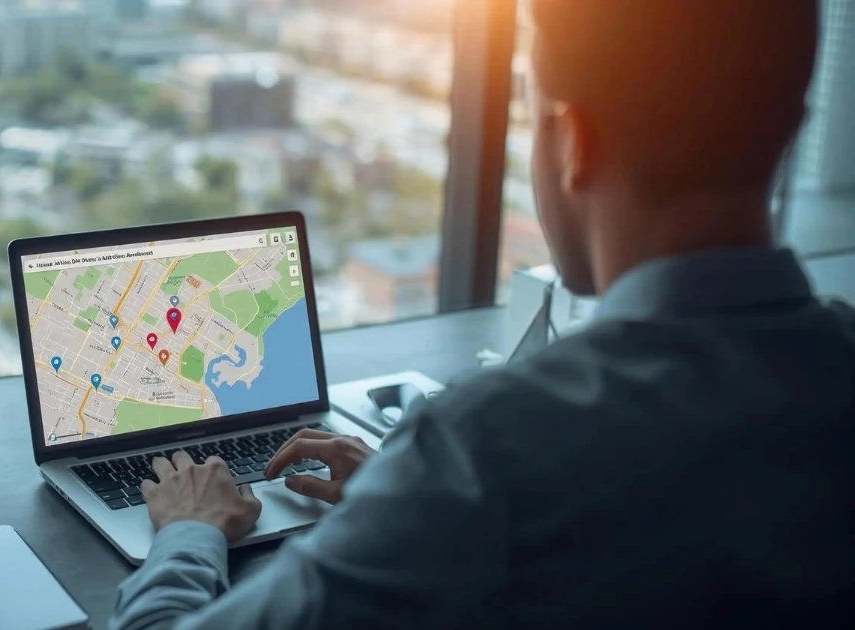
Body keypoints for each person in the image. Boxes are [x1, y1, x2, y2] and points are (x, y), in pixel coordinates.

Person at [110, 1, 855, 627]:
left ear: (574, 142)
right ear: (790, 124)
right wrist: (400, 506)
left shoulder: (488, 453)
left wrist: (188, 536)